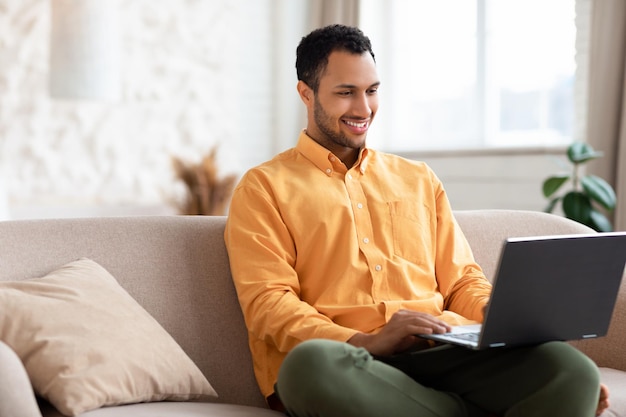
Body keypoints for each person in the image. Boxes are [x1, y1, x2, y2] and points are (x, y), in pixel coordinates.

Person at [224, 24, 610, 417]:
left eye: (372, 91)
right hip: (352, 363)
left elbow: (461, 282)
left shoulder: (418, 178)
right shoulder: (263, 188)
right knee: (308, 368)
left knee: (571, 370)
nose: (363, 109)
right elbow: (269, 303)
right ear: (306, 93)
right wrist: (364, 342)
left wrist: (499, 318)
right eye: (345, 93)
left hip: (444, 354)